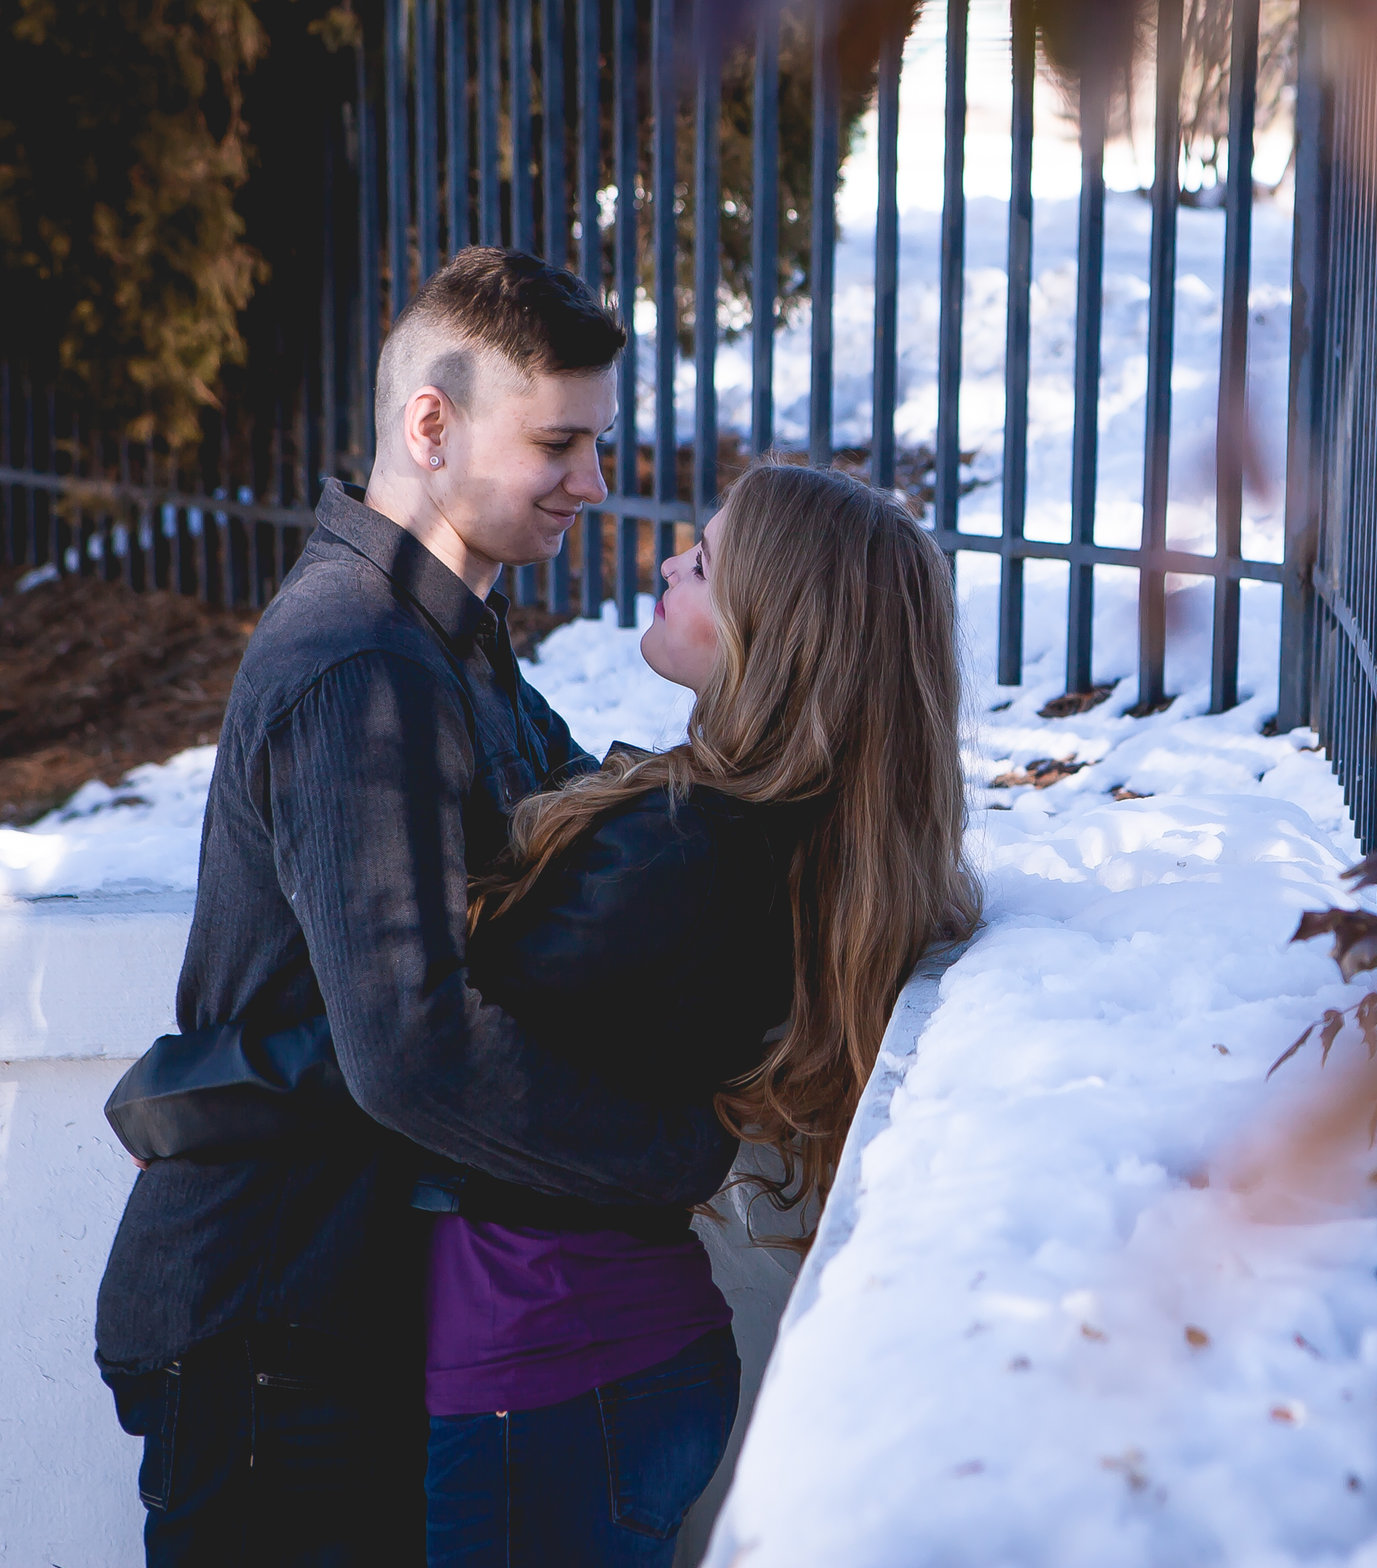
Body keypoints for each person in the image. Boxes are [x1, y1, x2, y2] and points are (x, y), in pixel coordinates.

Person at [96, 247, 737, 1565]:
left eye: (600, 442)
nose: (594, 483)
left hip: (343, 1309)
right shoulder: (362, 664)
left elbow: (583, 862)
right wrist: (681, 1156)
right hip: (272, 1319)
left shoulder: (449, 642)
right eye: (560, 441)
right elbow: (413, 1049)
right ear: (430, 424)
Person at [417, 461, 978, 1564]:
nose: (671, 561)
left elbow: (427, 1028)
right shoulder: (760, 835)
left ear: (776, 634)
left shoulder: (681, 853)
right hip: (594, 1360)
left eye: (706, 560)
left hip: (550, 1369)